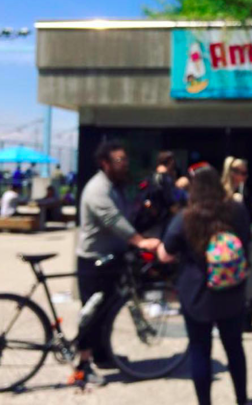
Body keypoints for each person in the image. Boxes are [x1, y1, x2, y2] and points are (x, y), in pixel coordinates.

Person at [158, 164, 251, 405]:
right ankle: (242, 400)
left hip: (197, 296)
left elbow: (165, 253)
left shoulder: (186, 217)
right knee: (235, 349)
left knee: (200, 351)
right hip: (233, 293)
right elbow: (247, 241)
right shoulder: (237, 210)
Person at [73, 140, 161, 387]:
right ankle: (82, 367)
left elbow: (124, 215)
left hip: (110, 260)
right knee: (92, 315)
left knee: (106, 312)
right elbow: (113, 220)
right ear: (105, 164)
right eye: (120, 160)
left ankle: (101, 355)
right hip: (94, 262)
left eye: (126, 160)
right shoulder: (97, 189)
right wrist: (140, 241)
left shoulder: (115, 186)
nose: (126, 165)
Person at [221, 156, 252, 223]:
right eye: (244, 173)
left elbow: (250, 219)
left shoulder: (244, 193)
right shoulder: (221, 192)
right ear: (233, 173)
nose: (246, 176)